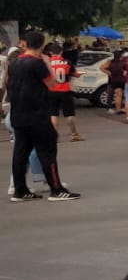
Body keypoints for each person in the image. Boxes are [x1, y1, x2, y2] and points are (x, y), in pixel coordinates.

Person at [8, 32, 79, 202]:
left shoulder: (15, 62)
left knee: (21, 153)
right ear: (41, 45)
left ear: (25, 44)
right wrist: (47, 63)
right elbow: (53, 84)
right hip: (37, 114)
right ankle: (56, 189)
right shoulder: (36, 63)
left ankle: (20, 189)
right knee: (47, 151)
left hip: (18, 113)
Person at [45, 43, 83, 142]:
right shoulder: (67, 62)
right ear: (61, 52)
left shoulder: (47, 63)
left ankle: (55, 136)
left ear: (50, 52)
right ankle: (74, 134)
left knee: (53, 113)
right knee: (69, 113)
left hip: (52, 90)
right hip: (65, 90)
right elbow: (75, 73)